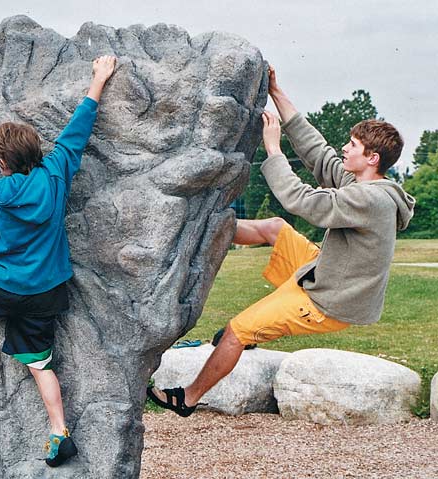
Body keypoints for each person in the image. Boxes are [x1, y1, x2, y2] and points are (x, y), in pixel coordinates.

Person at [147, 65, 415, 417]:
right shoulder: (362, 183)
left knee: (237, 331)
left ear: (372, 159)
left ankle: (188, 398)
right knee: (274, 227)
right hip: (324, 269)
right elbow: (318, 153)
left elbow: (301, 202)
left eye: (352, 145)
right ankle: (202, 227)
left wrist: (273, 149)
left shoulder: (370, 199)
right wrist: (276, 90)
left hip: (328, 300)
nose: (344, 149)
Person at [0, 55, 117, 466]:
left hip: (3, 285)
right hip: (45, 292)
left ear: (2, 163)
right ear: (36, 151)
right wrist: (98, 79)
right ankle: (58, 432)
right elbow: (77, 131)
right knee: (40, 363)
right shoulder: (55, 173)